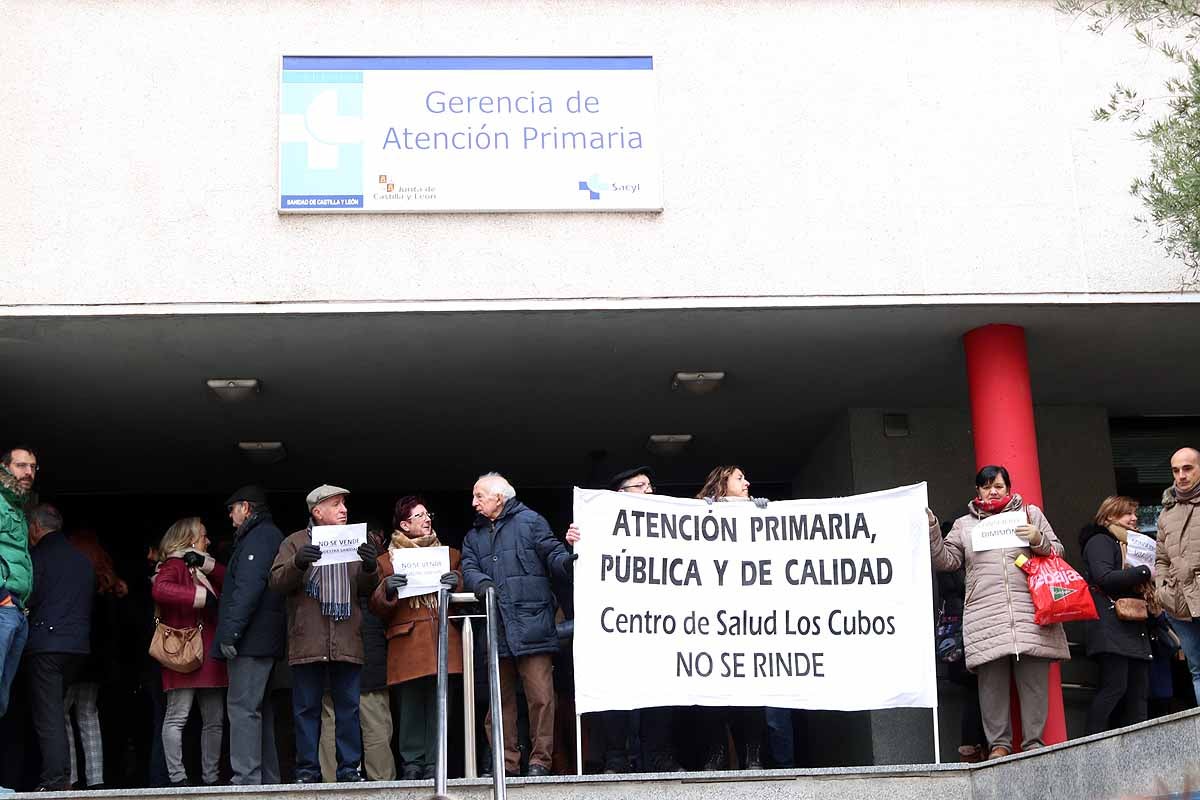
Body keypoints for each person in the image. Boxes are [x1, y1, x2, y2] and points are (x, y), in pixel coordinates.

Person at [928, 465, 1070, 759]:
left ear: (1009, 488)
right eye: (987, 486)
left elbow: (1058, 552)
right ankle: (999, 746)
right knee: (990, 686)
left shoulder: (1030, 515)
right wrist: (932, 530)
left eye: (999, 486)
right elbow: (947, 561)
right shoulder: (963, 525)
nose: (993, 491)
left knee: (1034, 683)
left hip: (1030, 611)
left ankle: (1033, 744)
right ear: (977, 490)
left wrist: (1037, 539)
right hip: (985, 614)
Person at [565, 466, 685, 773]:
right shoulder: (599, 524)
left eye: (650, 485)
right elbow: (576, 567)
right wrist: (575, 543)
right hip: (616, 624)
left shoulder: (666, 525)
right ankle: (616, 757)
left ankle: (659, 755)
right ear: (621, 494)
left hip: (658, 624)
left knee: (661, 688)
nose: (649, 490)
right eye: (641, 485)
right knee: (615, 688)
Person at [460, 472, 575, 777]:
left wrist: (572, 555)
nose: (473, 502)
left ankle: (540, 762)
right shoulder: (473, 536)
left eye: (479, 496)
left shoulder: (531, 522)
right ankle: (505, 763)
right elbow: (468, 568)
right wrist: (482, 584)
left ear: (500, 497)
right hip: (497, 627)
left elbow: (555, 557)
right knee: (499, 702)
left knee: (541, 698)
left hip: (533, 624)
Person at [269, 484, 380, 784]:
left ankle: (349, 770)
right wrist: (298, 562)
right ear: (317, 511)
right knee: (305, 709)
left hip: (346, 636)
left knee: (348, 708)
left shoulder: (358, 541)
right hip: (308, 639)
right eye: (336, 505)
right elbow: (276, 582)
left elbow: (369, 590)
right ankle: (307, 771)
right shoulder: (294, 542)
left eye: (344, 504)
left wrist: (371, 566)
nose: (344, 510)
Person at [369, 498, 460, 780]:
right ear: (404, 525)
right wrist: (386, 589)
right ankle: (412, 762)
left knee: (440, 703)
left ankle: (436, 761)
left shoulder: (451, 556)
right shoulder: (386, 562)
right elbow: (376, 608)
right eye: (418, 516)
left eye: (427, 514)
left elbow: (465, 597)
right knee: (409, 707)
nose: (426, 519)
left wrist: (457, 582)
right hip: (406, 641)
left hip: (442, 638)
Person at [692, 465, 768, 770]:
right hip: (711, 621)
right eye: (739, 478)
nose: (747, 482)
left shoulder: (759, 514)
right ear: (721, 485)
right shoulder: (698, 514)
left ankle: (753, 754)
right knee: (712, 689)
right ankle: (717, 752)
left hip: (749, 621)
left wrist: (763, 515)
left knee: (751, 687)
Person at [213, 485, 286, 786]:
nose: (230, 518)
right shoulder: (267, 535)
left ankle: (245, 780)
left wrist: (230, 632)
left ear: (245, 507)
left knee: (242, 708)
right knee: (258, 711)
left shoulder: (260, 537)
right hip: (262, 639)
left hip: (251, 640)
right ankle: (266, 780)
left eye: (232, 511)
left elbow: (248, 588)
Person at [24, 503, 95, 791]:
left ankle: (55, 780)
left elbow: (31, 597)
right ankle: (63, 776)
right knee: (58, 712)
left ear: (36, 528)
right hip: (77, 647)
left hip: (46, 645)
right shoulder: (82, 560)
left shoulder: (37, 557)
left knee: (49, 714)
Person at [151, 517, 227, 787]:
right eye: (204, 536)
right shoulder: (173, 564)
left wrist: (206, 563)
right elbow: (160, 589)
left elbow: (229, 580)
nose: (208, 541)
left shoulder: (202, 564)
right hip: (183, 651)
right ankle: (178, 778)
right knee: (178, 717)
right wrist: (200, 597)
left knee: (214, 720)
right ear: (191, 538)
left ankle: (211, 779)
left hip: (209, 652)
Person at [319, 525, 396, 782]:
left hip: (334, 645)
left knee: (333, 719)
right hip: (365, 648)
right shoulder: (375, 565)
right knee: (374, 722)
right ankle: (382, 788)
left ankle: (332, 787)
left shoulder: (325, 560)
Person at [1079, 496, 1153, 733]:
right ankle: (1092, 745)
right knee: (1115, 688)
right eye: (1126, 514)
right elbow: (1104, 578)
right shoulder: (1100, 540)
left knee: (1138, 694)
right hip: (1110, 626)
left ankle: (1138, 751)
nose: (1133, 519)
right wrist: (1144, 571)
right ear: (1109, 516)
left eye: (1135, 514)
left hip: (1133, 625)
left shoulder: (1132, 545)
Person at [64, 528, 127, 790]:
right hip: (97, 660)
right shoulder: (110, 584)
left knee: (60, 713)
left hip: (74, 655)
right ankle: (96, 779)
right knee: (89, 714)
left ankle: (70, 777)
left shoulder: (74, 580)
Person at [1155, 447, 1200, 704]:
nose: (1181, 476)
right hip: (1179, 603)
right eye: (1175, 470)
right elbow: (1161, 558)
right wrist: (1162, 588)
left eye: (1187, 468)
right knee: (1197, 669)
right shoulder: (1166, 513)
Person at [0, 447, 36, 725]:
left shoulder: (17, 506)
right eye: (21, 465)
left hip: (16, 610)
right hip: (4, 606)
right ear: (5, 467)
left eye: (33, 467)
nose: (28, 472)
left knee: (3, 698)